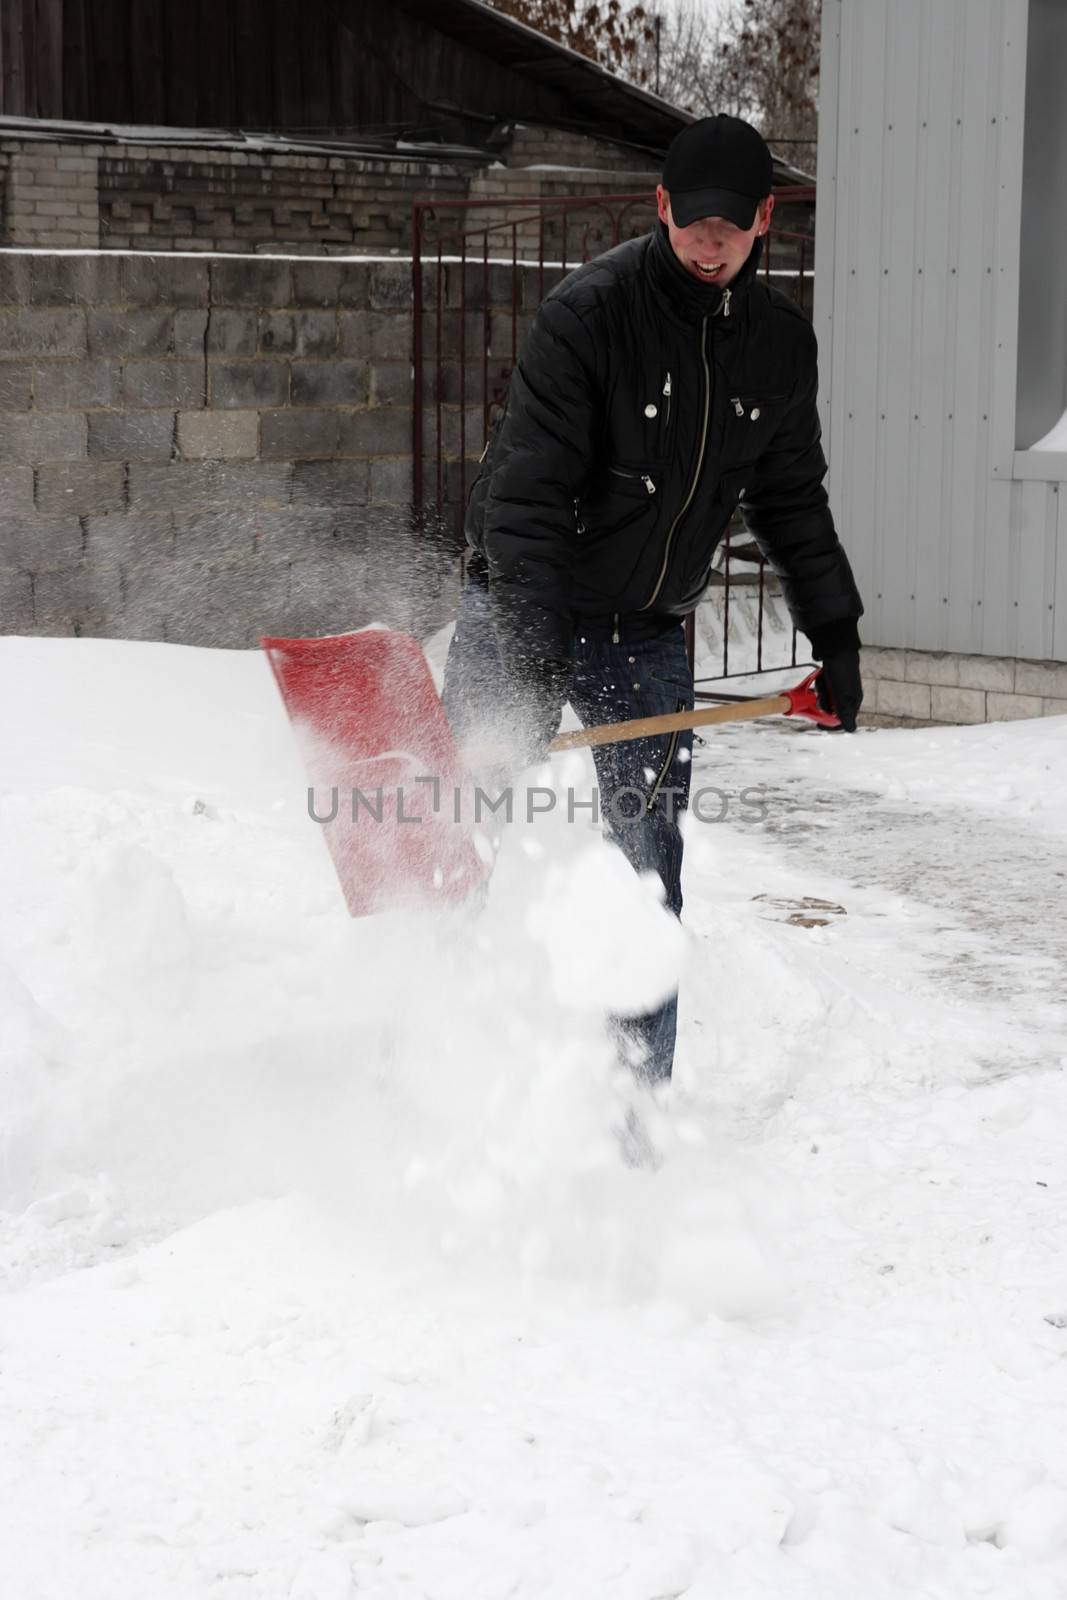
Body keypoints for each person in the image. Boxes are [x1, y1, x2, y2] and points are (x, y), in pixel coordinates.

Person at [442, 114, 864, 1085]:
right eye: (693, 222)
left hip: (644, 637)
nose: (709, 243)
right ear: (660, 206)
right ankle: (428, 1065)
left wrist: (832, 631)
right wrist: (536, 650)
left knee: (644, 873)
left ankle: (633, 1114)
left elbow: (789, 496)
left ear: (763, 219)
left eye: (730, 224)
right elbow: (525, 503)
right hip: (521, 608)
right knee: (461, 829)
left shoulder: (776, 347)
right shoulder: (585, 319)